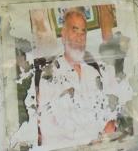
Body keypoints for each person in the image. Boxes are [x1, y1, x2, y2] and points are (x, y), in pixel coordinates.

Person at [22, 8, 121, 149]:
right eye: (75, 30)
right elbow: (48, 130)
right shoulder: (50, 76)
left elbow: (105, 114)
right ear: (63, 35)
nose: (80, 37)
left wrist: (109, 125)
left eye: (83, 32)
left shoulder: (93, 73)